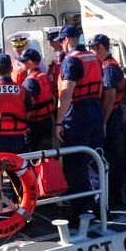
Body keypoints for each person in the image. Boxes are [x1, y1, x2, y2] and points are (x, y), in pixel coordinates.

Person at [54, 25, 103, 216]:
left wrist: (58, 123)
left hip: (78, 116)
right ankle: (101, 205)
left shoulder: (71, 61)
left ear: (66, 40)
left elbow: (65, 94)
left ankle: (81, 211)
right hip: (95, 112)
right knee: (96, 161)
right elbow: (99, 89)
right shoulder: (94, 58)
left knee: (76, 165)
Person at [89, 34, 126, 206]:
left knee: (111, 155)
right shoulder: (106, 66)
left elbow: (110, 98)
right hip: (111, 114)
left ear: (100, 48)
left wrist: (103, 121)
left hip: (111, 116)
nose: (91, 51)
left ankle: (114, 194)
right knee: (109, 154)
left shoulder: (109, 69)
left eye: (92, 48)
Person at [21, 48, 54, 152]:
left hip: (35, 127)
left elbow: (28, 106)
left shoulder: (30, 81)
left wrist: (22, 124)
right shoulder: (43, 76)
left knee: (33, 158)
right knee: (46, 157)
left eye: (22, 62)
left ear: (29, 62)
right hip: (47, 123)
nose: (21, 64)